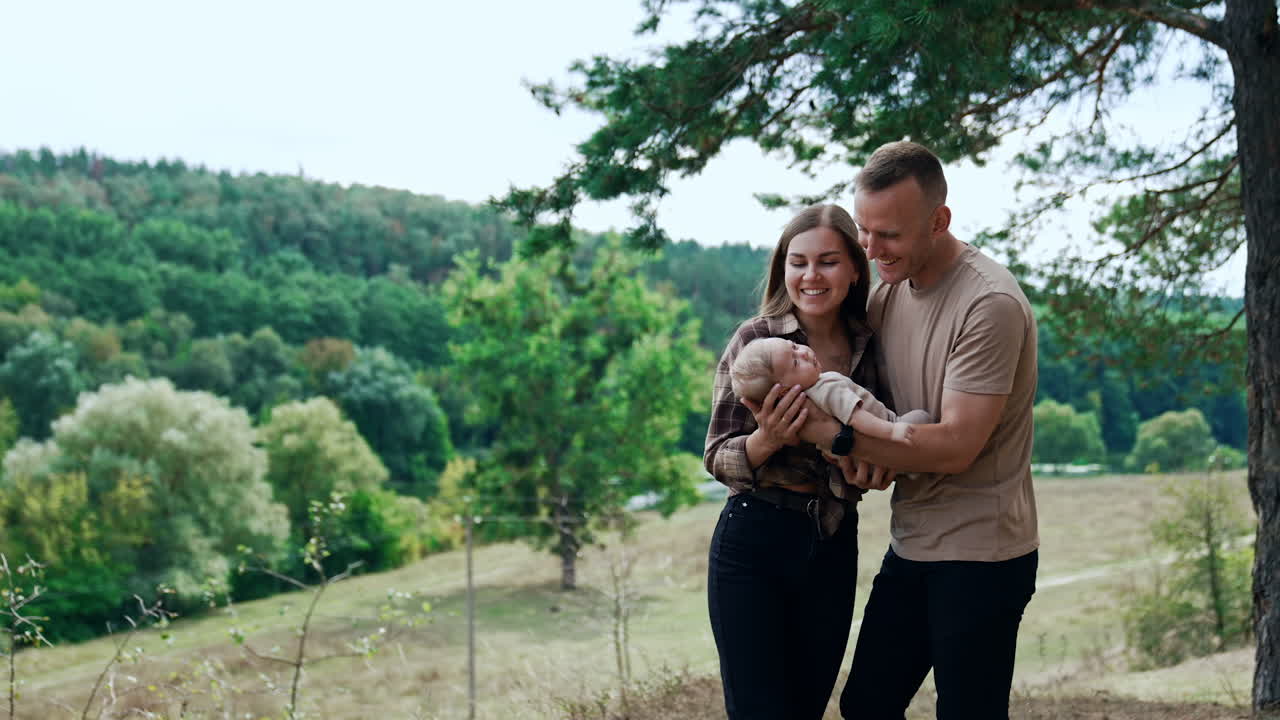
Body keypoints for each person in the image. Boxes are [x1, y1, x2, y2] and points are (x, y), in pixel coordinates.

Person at [813, 141, 1040, 719]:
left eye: (888, 234)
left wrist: (837, 438)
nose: (871, 248)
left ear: (939, 220)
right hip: (913, 541)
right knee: (866, 705)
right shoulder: (888, 287)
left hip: (983, 553)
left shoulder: (988, 303)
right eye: (864, 230)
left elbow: (957, 446)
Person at [704, 203, 888, 719]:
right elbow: (717, 456)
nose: (811, 276)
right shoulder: (756, 341)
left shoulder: (870, 349)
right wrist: (768, 439)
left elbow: (883, 443)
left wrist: (866, 468)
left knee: (806, 707)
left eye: (828, 261)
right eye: (798, 261)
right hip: (754, 540)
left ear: (855, 269)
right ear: (783, 268)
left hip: (832, 542)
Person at [729, 336, 933, 445]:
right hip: (886, 428)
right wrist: (892, 431)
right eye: (795, 363)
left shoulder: (805, 406)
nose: (804, 353)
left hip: (869, 446)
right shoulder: (825, 388)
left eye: (794, 346)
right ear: (784, 392)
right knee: (921, 417)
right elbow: (857, 417)